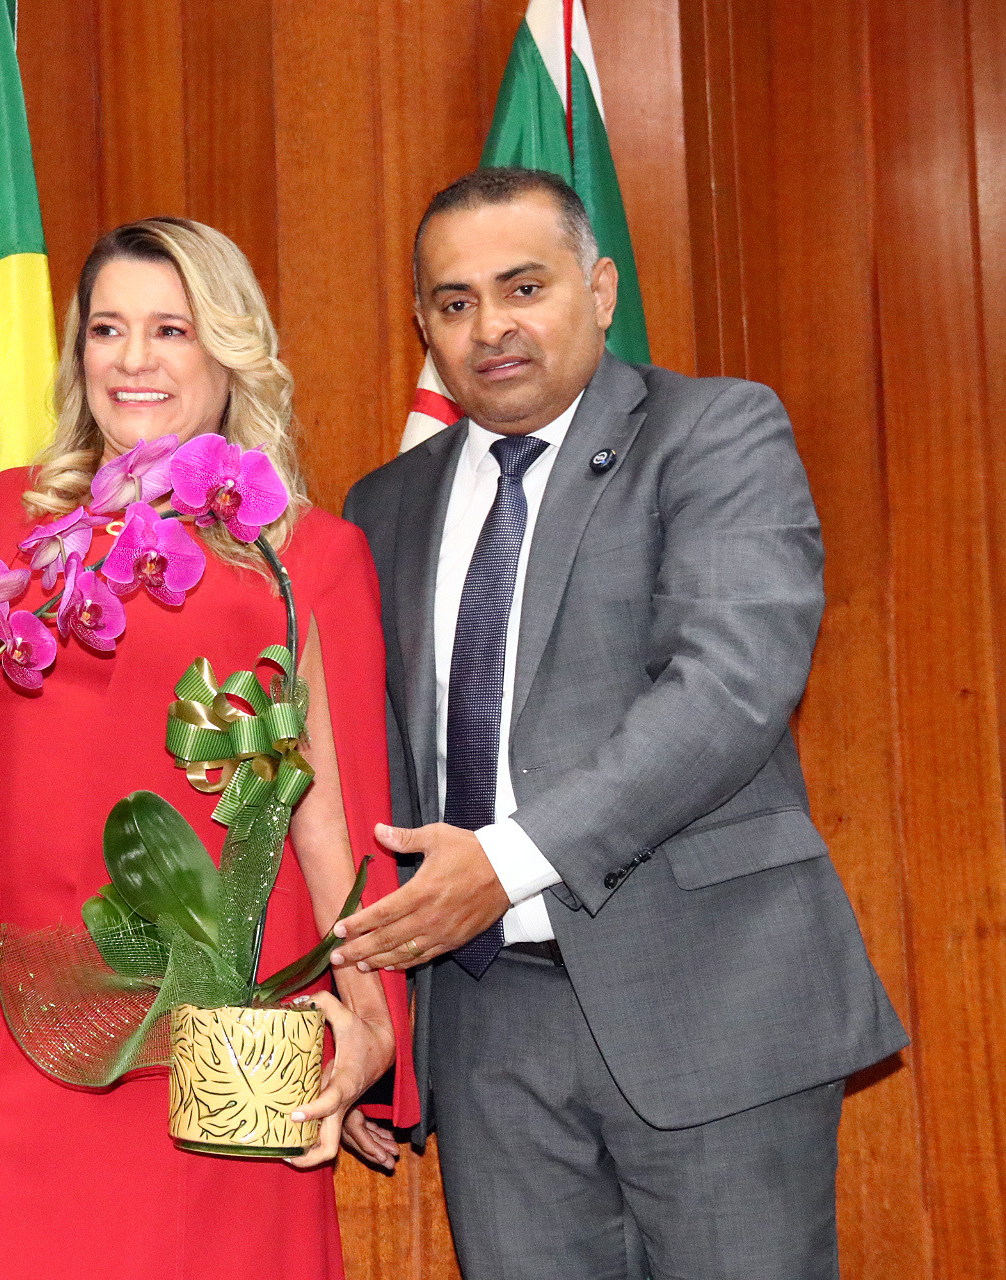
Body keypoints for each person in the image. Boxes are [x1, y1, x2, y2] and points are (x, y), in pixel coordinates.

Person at [337, 167, 908, 1279]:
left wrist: (505, 863)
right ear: (423, 326)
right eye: (455, 302)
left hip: (713, 999)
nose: (491, 326)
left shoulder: (715, 431)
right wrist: (375, 1015)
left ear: (599, 290)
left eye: (524, 287)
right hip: (486, 1029)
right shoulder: (382, 504)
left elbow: (729, 685)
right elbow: (379, 770)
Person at [0, 216, 418, 1280]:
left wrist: (372, 1028)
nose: (133, 359)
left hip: (223, 1056)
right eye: (107, 329)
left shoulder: (309, 554)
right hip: (17, 1045)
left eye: (171, 329)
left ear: (230, 348)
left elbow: (332, 819)